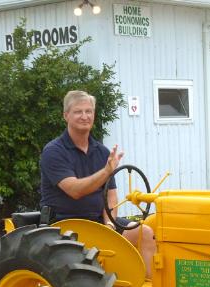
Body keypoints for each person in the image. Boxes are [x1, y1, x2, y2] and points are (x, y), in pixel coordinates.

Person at [40, 90, 156, 276]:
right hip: (66, 224)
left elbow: (111, 195)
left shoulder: (102, 152)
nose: (85, 116)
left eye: (89, 111)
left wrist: (109, 225)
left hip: (99, 222)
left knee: (146, 233)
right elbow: (75, 190)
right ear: (66, 115)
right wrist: (106, 171)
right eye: (78, 112)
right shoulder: (54, 151)